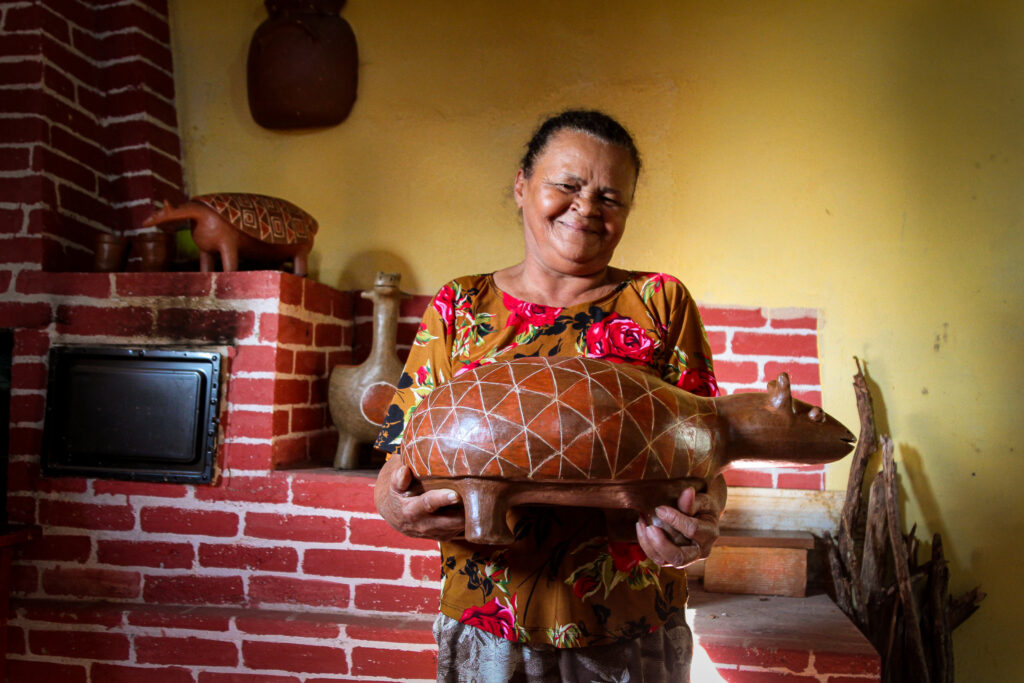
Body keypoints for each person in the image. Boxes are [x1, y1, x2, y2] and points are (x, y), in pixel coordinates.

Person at [374, 109, 727, 682]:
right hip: (489, 620)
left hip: (630, 619)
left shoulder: (660, 303)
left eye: (611, 197)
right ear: (521, 186)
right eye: (567, 185)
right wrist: (397, 507)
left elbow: (705, 455)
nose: (586, 208)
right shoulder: (460, 306)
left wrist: (701, 523)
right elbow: (399, 459)